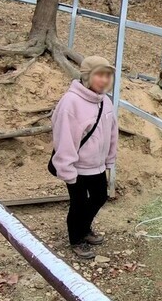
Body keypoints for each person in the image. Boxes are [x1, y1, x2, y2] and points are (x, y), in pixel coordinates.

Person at [51, 56, 119, 259]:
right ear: (87, 76)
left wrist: (109, 159)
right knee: (78, 203)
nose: (105, 80)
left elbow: (112, 132)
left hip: (96, 165)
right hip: (77, 166)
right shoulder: (70, 103)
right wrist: (67, 170)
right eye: (99, 75)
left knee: (99, 197)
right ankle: (76, 238)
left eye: (108, 75)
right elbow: (64, 138)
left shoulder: (105, 101)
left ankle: (85, 228)